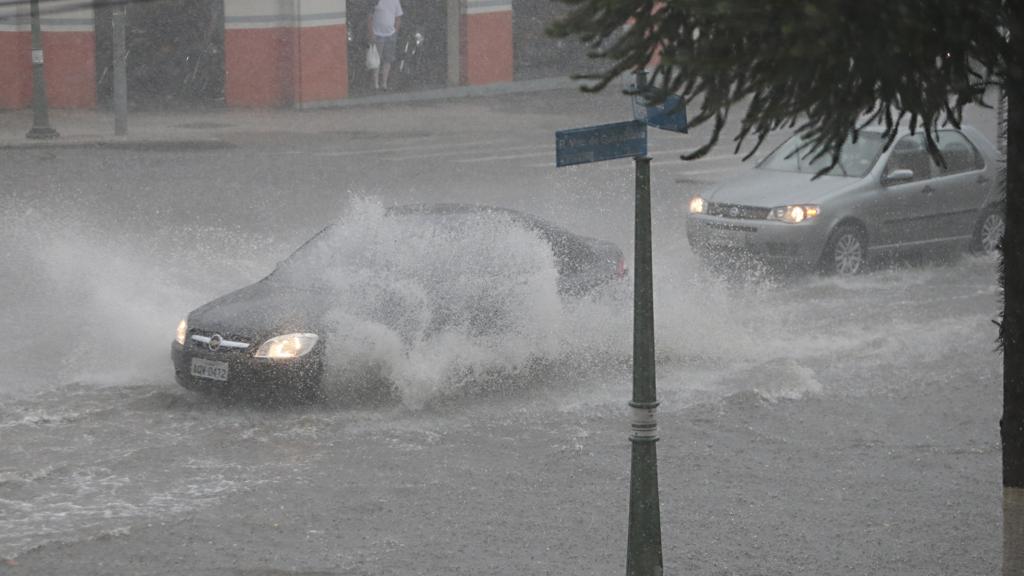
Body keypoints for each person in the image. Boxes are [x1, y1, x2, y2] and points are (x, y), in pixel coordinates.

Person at [368, 0, 402, 91]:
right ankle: (376, 84)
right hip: (377, 35)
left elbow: (398, 18)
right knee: (376, 60)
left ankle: (384, 84)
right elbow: (369, 19)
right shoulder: (374, 1)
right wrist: (371, 34)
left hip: (390, 35)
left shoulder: (395, 1)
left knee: (388, 60)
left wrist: (395, 32)